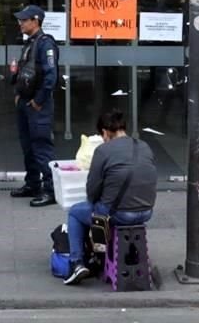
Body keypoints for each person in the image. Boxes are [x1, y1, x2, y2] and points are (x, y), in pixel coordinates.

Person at [64, 110, 156, 286]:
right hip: (146, 212)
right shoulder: (144, 146)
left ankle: (77, 263)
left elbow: (91, 192)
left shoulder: (103, 151)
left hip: (118, 214)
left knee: (76, 212)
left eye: (102, 135)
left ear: (105, 132)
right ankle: (112, 253)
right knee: (101, 207)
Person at [9, 5, 60, 208]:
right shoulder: (30, 43)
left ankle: (50, 190)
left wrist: (38, 101)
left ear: (36, 20)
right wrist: (19, 96)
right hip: (26, 102)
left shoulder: (46, 44)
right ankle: (32, 184)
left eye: (24, 20)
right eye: (20, 19)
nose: (20, 23)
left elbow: (51, 76)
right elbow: (26, 73)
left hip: (38, 105)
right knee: (28, 146)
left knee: (41, 147)